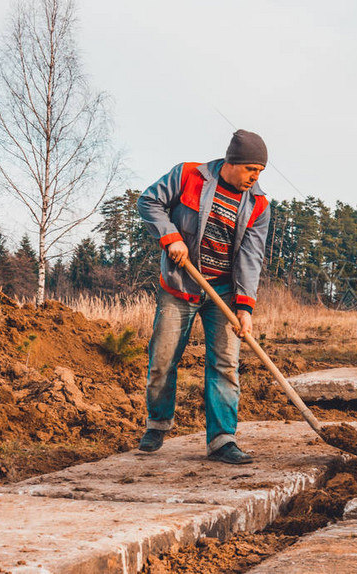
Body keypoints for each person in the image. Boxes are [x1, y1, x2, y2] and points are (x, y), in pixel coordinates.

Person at [136, 130, 271, 464]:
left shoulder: (258, 204)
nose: (255, 178)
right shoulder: (188, 175)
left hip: (223, 292)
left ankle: (222, 440)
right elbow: (148, 201)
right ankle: (158, 423)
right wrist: (170, 236)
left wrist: (244, 307)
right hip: (180, 285)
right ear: (232, 162)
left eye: (260, 172)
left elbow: (250, 258)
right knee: (164, 356)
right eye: (251, 169)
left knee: (225, 364)